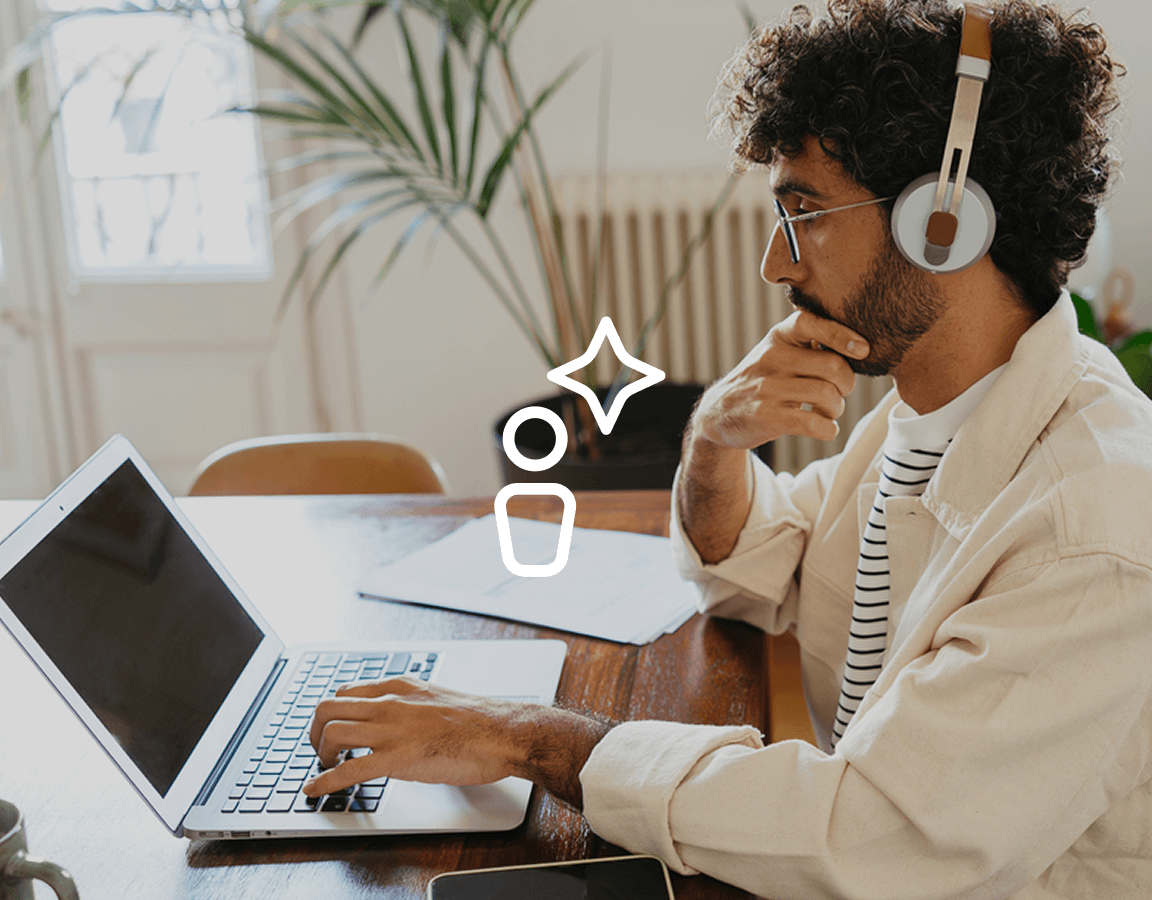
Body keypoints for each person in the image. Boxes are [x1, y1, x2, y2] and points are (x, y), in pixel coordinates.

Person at [304, 1, 1152, 896]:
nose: (775, 267)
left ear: (942, 222)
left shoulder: (1091, 532)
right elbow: (761, 565)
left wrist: (528, 737)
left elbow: (871, 837)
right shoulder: (942, 412)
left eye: (805, 213)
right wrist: (712, 439)